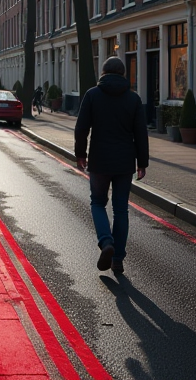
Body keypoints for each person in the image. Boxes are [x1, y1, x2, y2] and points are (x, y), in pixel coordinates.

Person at [74, 57, 149, 275]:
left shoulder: (92, 95)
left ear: (104, 72)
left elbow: (81, 128)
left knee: (98, 203)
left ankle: (106, 241)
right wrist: (142, 163)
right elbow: (140, 134)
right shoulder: (134, 99)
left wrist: (81, 154)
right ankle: (117, 259)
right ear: (123, 74)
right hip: (125, 162)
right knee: (121, 210)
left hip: (99, 160)